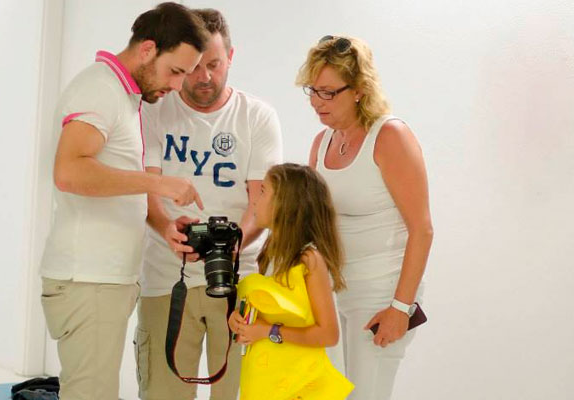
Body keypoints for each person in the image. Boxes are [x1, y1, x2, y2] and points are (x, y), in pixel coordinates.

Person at [39, 4, 209, 400]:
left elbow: (117, 183)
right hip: (89, 280)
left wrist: (163, 224)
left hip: (104, 281)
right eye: (177, 71)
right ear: (148, 49)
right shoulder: (100, 89)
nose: (179, 84)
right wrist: (163, 186)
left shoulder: (124, 96)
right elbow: (69, 172)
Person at [136, 8, 283, 400]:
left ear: (231, 58)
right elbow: (147, 189)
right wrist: (166, 227)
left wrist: (235, 242)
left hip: (239, 281)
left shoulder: (256, 117)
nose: (204, 77)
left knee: (239, 393)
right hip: (166, 278)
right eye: (195, 67)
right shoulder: (153, 110)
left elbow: (261, 201)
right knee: (163, 392)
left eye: (215, 65)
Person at [297, 35, 434, 400]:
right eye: (312, 90)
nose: (316, 102)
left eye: (328, 93)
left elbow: (422, 229)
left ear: (358, 89)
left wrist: (400, 308)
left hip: (380, 295)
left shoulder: (390, 136)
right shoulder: (321, 142)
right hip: (334, 292)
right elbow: (313, 225)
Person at [228, 163, 354, 400]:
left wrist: (267, 331)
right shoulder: (271, 253)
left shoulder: (309, 260)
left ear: (285, 205)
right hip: (277, 377)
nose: (255, 199)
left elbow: (328, 334)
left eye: (263, 192)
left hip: (305, 385)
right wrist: (241, 321)